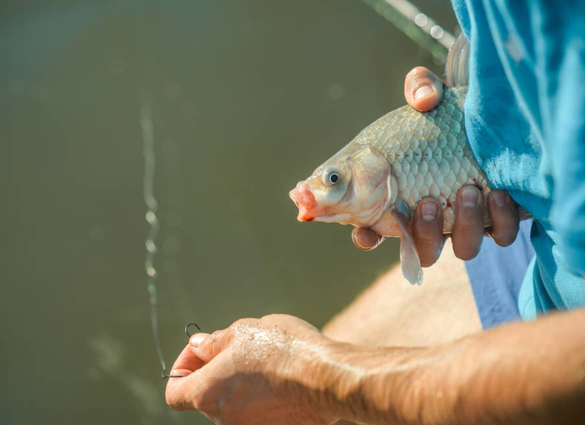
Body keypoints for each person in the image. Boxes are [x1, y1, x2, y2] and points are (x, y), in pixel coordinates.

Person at [165, 1, 585, 423]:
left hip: (562, 347)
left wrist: (320, 384)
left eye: (335, 180)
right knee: (303, 351)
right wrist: (483, 76)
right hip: (546, 252)